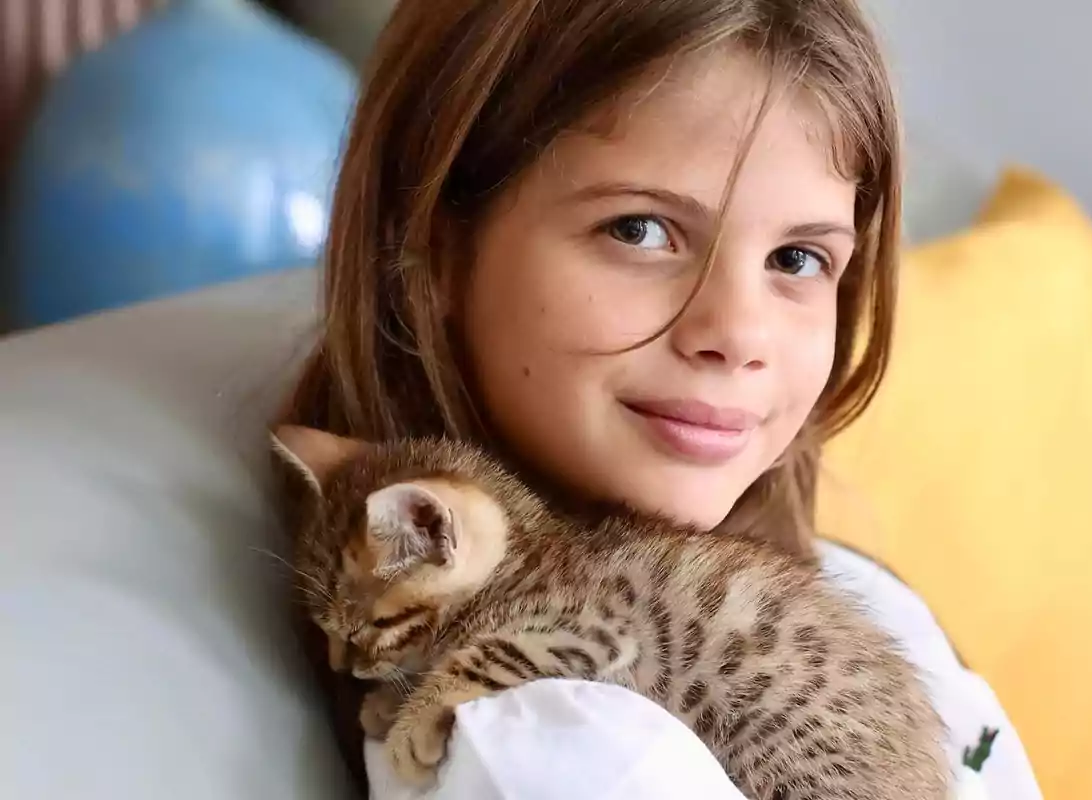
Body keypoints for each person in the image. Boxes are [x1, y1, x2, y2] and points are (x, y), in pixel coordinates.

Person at [275, 0, 1043, 797]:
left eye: (797, 256)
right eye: (638, 230)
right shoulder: (550, 743)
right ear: (433, 252)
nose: (738, 333)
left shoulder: (845, 593)